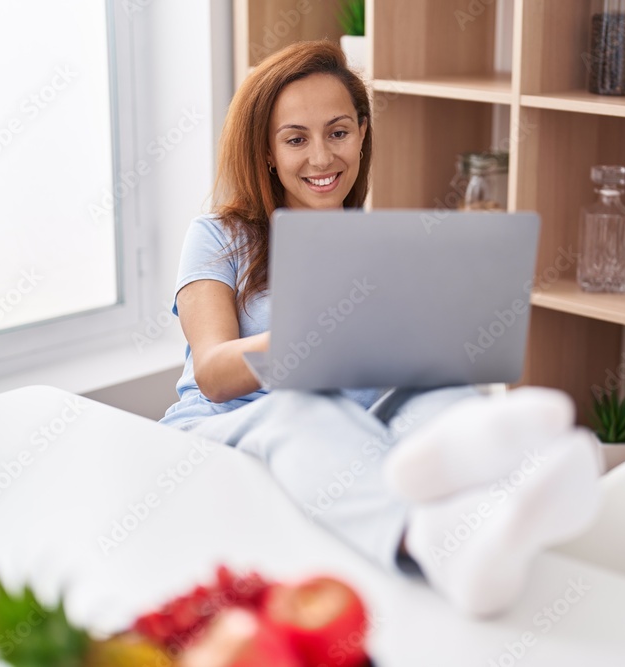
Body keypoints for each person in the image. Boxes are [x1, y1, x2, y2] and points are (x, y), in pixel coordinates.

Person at [158, 40, 600, 617]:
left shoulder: (381, 243)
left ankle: (507, 486)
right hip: (231, 422)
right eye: (296, 139)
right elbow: (214, 374)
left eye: (338, 132)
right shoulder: (219, 236)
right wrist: (315, 336)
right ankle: (429, 540)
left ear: (362, 133)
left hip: (354, 419)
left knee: (433, 393)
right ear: (267, 150)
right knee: (303, 408)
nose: (322, 157)